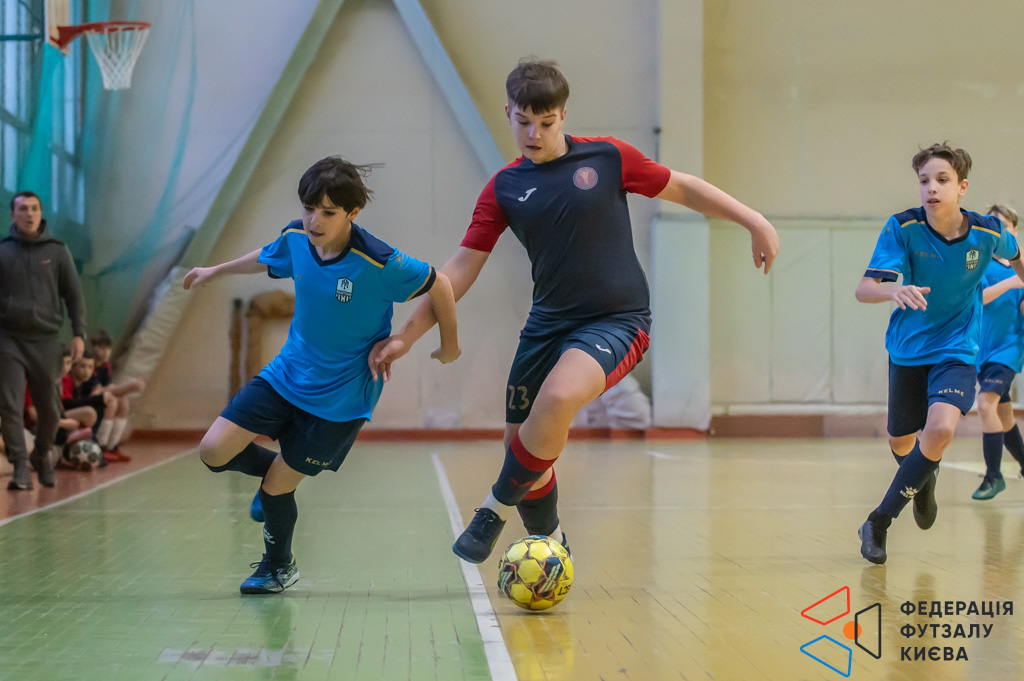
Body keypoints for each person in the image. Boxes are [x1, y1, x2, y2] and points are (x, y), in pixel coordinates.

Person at [368, 59, 779, 564]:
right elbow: (457, 272)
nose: (534, 134)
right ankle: (553, 544)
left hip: (618, 320)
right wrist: (406, 336)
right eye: (523, 122)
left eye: (546, 122)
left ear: (563, 115)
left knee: (558, 397)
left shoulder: (608, 158)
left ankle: (493, 509)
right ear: (508, 113)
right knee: (522, 447)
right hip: (547, 325)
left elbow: (683, 186)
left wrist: (754, 220)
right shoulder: (503, 188)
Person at [183, 156, 460, 594]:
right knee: (213, 451)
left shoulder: (379, 261)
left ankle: (279, 567)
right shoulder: (297, 237)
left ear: (353, 213)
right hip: (286, 374)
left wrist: (438, 344)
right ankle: (275, 476)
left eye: (328, 212)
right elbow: (268, 255)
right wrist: (214, 271)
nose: (315, 220)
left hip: (342, 398)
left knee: (276, 489)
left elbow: (440, 284)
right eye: (309, 207)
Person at [855, 144, 1024, 564]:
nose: (931, 188)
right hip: (908, 349)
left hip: (958, 348)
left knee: (942, 429)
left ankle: (878, 522)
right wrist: (894, 290)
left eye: (942, 180)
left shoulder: (988, 232)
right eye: (924, 180)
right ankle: (924, 477)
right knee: (901, 440)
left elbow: (1018, 256)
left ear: (962, 187)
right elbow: (864, 289)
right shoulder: (903, 227)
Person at [0, 191, 86, 490]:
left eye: (34, 208)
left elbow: (74, 296)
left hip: (46, 340)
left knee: (49, 410)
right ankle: (20, 467)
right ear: (12, 215)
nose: (29, 214)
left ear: (41, 213)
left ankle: (41, 453)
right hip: (8, 339)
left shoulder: (58, 251)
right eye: (23, 209)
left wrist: (79, 334)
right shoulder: (2, 251)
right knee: (10, 406)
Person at [973, 205, 1024, 499]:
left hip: (1009, 349)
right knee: (1004, 415)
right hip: (982, 350)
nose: (998, 231)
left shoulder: (1021, 265)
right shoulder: (979, 263)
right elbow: (977, 299)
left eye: (1003, 225)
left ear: (1014, 232)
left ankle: (993, 476)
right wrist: (1010, 283)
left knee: (985, 404)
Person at [89, 330, 145, 461]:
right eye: (101, 348)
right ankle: (101, 446)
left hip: (101, 397)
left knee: (123, 401)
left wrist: (127, 387)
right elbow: (96, 392)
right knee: (112, 402)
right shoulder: (89, 364)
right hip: (86, 399)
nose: (106, 352)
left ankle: (112, 446)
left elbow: (110, 388)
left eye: (108, 349)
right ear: (93, 348)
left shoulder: (106, 366)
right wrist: (129, 386)